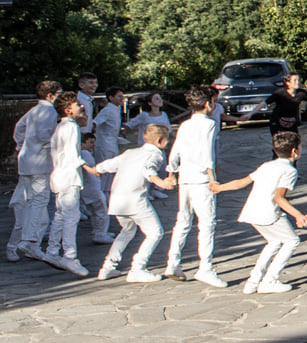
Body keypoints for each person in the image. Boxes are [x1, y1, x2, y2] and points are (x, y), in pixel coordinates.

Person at [213, 131, 307, 294]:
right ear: (294, 151)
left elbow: (242, 183)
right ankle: (270, 280)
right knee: (292, 241)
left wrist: (220, 187)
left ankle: (253, 281)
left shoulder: (266, 165)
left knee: (274, 242)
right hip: (268, 213)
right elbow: (279, 198)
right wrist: (298, 215)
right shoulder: (290, 171)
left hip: (252, 211)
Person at [161, 85, 227, 288]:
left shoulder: (185, 125)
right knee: (207, 223)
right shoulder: (208, 124)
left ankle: (173, 262)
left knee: (183, 221)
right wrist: (212, 177)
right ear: (209, 104)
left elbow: (175, 150)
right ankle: (205, 267)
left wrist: (171, 172)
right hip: (200, 179)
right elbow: (208, 152)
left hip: (185, 177)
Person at [95, 125, 176, 282]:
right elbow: (149, 169)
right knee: (155, 232)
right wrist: (162, 183)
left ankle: (107, 267)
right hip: (135, 199)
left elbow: (108, 165)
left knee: (127, 231)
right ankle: (138, 267)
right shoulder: (156, 155)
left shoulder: (130, 152)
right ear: (160, 141)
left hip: (117, 200)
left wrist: (95, 168)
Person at [45, 93, 99, 276]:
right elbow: (73, 155)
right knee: (71, 216)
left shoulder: (62, 126)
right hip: (68, 177)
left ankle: (52, 251)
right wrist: (91, 169)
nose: (81, 107)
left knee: (61, 215)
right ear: (68, 110)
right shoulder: (71, 127)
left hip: (60, 176)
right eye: (77, 105)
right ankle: (70, 256)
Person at [7, 79, 61, 262]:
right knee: (38, 201)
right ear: (50, 95)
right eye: (58, 94)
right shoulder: (48, 110)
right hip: (39, 163)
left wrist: (22, 147)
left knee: (32, 203)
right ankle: (28, 240)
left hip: (26, 160)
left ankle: (29, 243)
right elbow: (43, 135)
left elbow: (19, 129)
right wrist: (58, 139)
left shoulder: (34, 111)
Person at [251, 73, 307, 158]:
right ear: (288, 83)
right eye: (295, 80)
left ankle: (292, 166)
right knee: (280, 146)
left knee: (294, 144)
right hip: (277, 123)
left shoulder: (301, 93)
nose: (297, 82)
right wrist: (251, 113)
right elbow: (264, 103)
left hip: (292, 123)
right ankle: (277, 163)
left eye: (298, 80)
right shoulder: (279, 93)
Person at [77, 127, 113, 246]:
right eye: (90, 143)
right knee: (101, 209)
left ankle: (100, 231)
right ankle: (100, 233)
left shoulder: (81, 154)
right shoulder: (84, 153)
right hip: (92, 187)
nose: (92, 146)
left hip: (88, 187)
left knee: (95, 211)